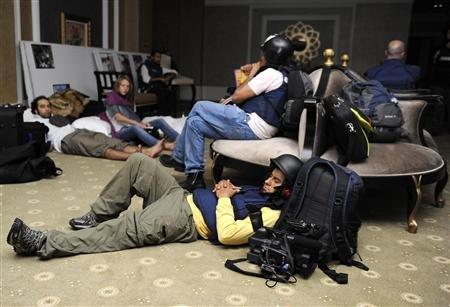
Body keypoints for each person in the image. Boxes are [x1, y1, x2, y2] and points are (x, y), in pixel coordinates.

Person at [6, 154, 303, 259]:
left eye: (276, 181)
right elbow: (233, 198)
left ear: (287, 191)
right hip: (180, 196)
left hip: (184, 219)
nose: (268, 182)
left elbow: (226, 234)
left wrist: (223, 200)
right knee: (139, 163)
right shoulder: (261, 193)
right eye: (270, 175)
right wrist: (225, 188)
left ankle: (44, 242)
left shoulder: (271, 215)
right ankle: (96, 216)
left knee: (128, 227)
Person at [160, 34, 294, 191]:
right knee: (194, 123)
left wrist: (252, 74)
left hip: (252, 124)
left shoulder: (270, 74)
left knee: (199, 106)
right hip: (258, 125)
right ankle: (195, 177)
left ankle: (178, 158)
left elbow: (237, 96)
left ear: (269, 54)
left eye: (263, 53)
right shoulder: (281, 74)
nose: (261, 56)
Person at [29, 96, 164, 161]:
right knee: (100, 148)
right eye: (42, 106)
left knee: (112, 141)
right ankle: (137, 157)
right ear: (35, 109)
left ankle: (148, 151)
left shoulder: (55, 116)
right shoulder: (35, 122)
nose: (47, 108)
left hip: (78, 131)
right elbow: (43, 143)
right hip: (66, 140)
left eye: (48, 105)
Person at [105, 75, 178, 150]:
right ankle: (163, 145)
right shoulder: (112, 97)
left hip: (131, 125)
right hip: (121, 131)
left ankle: (180, 139)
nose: (125, 88)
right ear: (118, 86)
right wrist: (137, 124)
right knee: (135, 128)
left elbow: (131, 117)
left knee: (160, 121)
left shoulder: (126, 99)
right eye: (123, 85)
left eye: (127, 86)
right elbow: (118, 118)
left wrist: (142, 124)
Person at [138, 50, 177, 116]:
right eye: (157, 57)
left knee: (169, 92)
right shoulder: (145, 66)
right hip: (147, 88)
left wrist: (167, 78)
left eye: (160, 57)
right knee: (161, 91)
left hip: (157, 87)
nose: (159, 59)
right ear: (152, 57)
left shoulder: (160, 68)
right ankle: (162, 115)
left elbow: (175, 72)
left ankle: (168, 115)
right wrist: (160, 79)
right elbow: (146, 79)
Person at [430, 25, 450, 130]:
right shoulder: (439, 50)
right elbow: (432, 66)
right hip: (438, 84)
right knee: (438, 108)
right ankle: (436, 129)